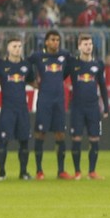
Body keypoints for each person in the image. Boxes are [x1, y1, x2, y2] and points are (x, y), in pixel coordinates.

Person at [66, 33, 110, 179]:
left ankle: (92, 171)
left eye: (90, 44)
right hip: (77, 107)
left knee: (94, 139)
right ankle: (77, 171)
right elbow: (59, 78)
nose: (88, 47)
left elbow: (103, 86)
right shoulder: (73, 64)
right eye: (85, 44)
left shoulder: (98, 65)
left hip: (93, 107)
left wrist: (106, 106)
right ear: (79, 46)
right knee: (76, 138)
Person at [29, 30, 72, 179]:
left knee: (60, 134)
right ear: (46, 42)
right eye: (53, 40)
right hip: (44, 100)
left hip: (59, 100)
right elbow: (26, 65)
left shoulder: (64, 55)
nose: (55, 42)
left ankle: (61, 171)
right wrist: (31, 80)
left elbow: (67, 71)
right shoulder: (38, 56)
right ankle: (39, 170)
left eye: (57, 40)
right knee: (40, 133)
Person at [0, 37, 35, 180]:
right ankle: (1, 172)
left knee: (24, 141)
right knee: (3, 141)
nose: (17, 49)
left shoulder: (26, 65)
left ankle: (23, 172)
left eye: (19, 46)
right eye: (14, 46)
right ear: (8, 48)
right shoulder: (1, 65)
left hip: (22, 108)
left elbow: (32, 80)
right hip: (7, 109)